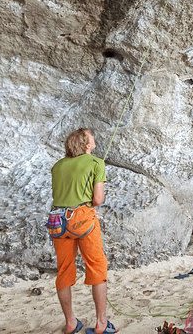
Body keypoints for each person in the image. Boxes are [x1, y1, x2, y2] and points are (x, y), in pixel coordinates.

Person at [50, 129, 115, 334]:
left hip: (58, 221)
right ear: (86, 144)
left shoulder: (57, 166)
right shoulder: (96, 163)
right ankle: (101, 323)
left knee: (64, 270)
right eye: (92, 136)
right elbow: (97, 200)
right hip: (82, 219)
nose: (95, 138)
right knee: (97, 267)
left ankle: (70, 323)